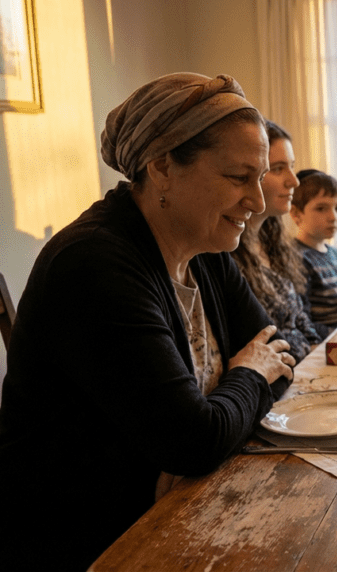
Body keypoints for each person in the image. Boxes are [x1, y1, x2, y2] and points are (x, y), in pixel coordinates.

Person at [0, 73, 296, 570]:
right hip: (92, 540)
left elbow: (280, 357)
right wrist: (247, 375)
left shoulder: (205, 244)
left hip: (180, 507)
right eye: (237, 177)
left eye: (258, 176)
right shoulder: (94, 263)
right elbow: (196, 440)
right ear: (162, 168)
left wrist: (221, 414)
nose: (258, 202)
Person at [230, 121, 322, 361]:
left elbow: (300, 315)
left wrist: (317, 351)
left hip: (305, 366)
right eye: (278, 168)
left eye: (291, 166)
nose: (294, 180)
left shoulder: (273, 240)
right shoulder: (227, 252)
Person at [290, 169, 337, 338]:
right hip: (329, 340)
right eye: (321, 208)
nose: (333, 217)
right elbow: (303, 319)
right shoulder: (297, 258)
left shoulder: (336, 255)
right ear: (296, 214)